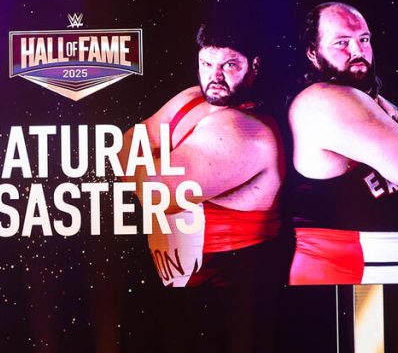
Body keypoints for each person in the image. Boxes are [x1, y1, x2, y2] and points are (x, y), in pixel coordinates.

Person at [119, 20, 285, 287]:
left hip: (226, 287)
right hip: (177, 279)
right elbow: (127, 141)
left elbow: (155, 193)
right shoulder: (192, 98)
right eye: (206, 64)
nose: (214, 77)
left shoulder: (247, 130)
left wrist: (146, 166)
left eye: (229, 65)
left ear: (253, 66)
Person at [288, 2, 398, 285]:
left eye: (363, 39)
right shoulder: (323, 100)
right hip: (353, 269)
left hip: (388, 263)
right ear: (313, 53)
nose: (357, 51)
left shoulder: (365, 100)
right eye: (341, 43)